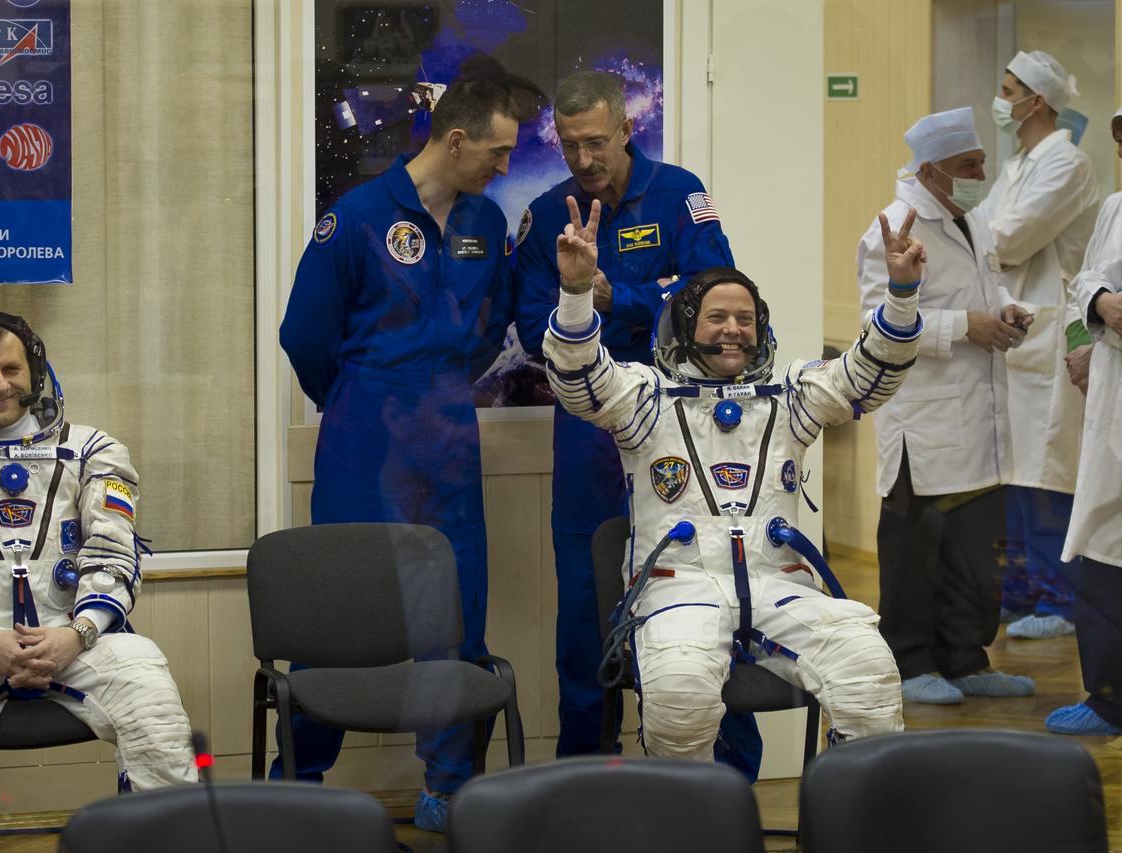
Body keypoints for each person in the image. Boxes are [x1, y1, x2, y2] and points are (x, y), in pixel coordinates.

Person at [542, 196, 924, 759]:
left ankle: (849, 805)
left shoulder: (790, 397)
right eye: (717, 318)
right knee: (680, 693)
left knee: (866, 668)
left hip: (779, 588)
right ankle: (694, 811)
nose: (733, 331)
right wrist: (576, 292)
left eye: (745, 320)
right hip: (680, 590)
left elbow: (870, 375)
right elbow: (578, 381)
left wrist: (902, 293)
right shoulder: (647, 398)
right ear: (686, 325)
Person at [277, 78, 518, 832]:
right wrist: (358, 394)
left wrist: (443, 382)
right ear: (456, 140)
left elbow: (493, 321)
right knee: (341, 612)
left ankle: (447, 788)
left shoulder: (485, 220)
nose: (505, 166)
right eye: (497, 151)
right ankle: (299, 788)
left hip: (449, 430)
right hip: (365, 427)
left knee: (455, 612)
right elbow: (304, 333)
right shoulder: (356, 217)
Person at [0, 312, 197, 851]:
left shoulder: (93, 451)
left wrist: (78, 633)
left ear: (35, 372)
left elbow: (113, 555)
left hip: (77, 637)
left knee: (154, 705)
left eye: (10, 369)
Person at [513, 70, 761, 770]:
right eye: (569, 145)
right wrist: (584, 298)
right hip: (590, 431)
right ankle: (585, 774)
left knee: (704, 590)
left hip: (679, 428)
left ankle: (721, 778)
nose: (583, 159)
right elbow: (533, 329)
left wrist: (617, 297)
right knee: (586, 607)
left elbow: (715, 300)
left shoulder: (679, 194)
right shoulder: (546, 216)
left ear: (627, 128)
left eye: (596, 141)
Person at [859, 107, 1035, 705]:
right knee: (918, 550)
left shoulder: (972, 218)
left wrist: (1005, 308)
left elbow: (985, 284)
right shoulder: (893, 228)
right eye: (969, 166)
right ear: (931, 170)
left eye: (982, 162)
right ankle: (910, 661)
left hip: (979, 413)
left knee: (975, 550)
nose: (982, 175)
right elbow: (874, 322)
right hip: (925, 419)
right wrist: (966, 326)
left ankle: (966, 658)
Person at [978, 50, 1100, 640]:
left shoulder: (1066, 164)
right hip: (1017, 328)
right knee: (1014, 471)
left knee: (1047, 472)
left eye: (1009, 91)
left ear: (1038, 101)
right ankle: (1021, 590)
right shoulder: (1018, 165)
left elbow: (1007, 239)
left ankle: (1060, 598)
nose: (1001, 102)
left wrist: (974, 241)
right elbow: (983, 232)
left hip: (1051, 330)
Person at [1044, 105, 1122, 737]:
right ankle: (1108, 698)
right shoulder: (1117, 207)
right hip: (1115, 403)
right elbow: (1086, 278)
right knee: (1102, 540)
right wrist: (1101, 302)